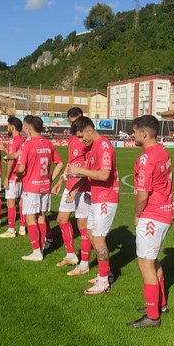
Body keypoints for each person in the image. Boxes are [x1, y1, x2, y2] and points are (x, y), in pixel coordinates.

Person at [127, 115, 174, 328]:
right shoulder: (163, 151)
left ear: (144, 134)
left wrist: (137, 214)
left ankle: (152, 316)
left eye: (135, 132)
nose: (133, 135)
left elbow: (143, 194)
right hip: (165, 212)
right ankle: (160, 303)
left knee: (145, 262)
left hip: (152, 215)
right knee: (153, 260)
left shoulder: (146, 159)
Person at [66, 116, 120, 295]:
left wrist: (79, 170)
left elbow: (104, 175)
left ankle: (104, 281)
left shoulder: (104, 146)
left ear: (90, 130)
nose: (81, 141)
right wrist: (74, 187)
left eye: (82, 136)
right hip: (95, 196)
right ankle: (106, 272)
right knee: (90, 233)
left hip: (106, 197)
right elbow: (89, 174)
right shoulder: (90, 148)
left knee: (98, 238)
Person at [16, 116, 64, 261]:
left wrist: (17, 175)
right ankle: (42, 247)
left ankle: (36, 252)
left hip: (32, 187)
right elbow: (60, 164)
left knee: (31, 219)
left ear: (29, 128)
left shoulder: (27, 144)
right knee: (41, 217)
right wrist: (50, 179)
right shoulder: (48, 143)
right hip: (44, 186)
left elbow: (21, 168)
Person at [51, 107, 92, 272]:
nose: (77, 125)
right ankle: (71, 255)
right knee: (61, 219)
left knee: (82, 224)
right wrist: (60, 181)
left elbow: (87, 166)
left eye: (79, 121)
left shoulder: (88, 140)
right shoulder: (71, 139)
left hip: (83, 187)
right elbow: (71, 162)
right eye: (73, 122)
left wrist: (75, 189)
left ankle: (85, 263)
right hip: (69, 185)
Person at [0, 116, 25, 238]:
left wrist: (6, 178)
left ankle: (11, 230)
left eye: (8, 126)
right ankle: (23, 227)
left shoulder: (13, 141)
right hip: (23, 176)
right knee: (21, 202)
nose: (7, 128)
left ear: (13, 127)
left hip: (14, 176)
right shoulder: (23, 140)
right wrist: (5, 151)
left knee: (10, 202)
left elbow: (11, 161)